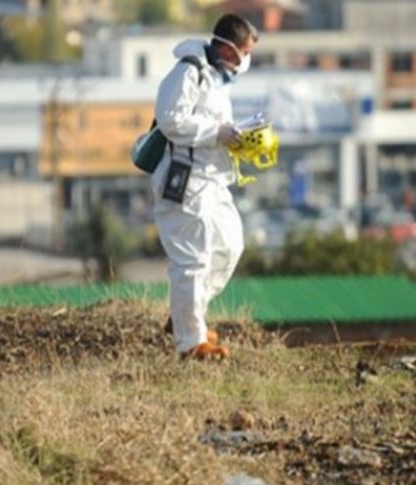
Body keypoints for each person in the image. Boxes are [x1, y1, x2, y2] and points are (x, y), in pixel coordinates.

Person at [152, 14, 259, 359]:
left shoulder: (218, 78)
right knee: (192, 259)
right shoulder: (188, 71)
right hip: (186, 180)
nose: (247, 58)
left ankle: (185, 315)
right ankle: (191, 343)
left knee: (230, 245)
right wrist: (217, 133)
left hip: (214, 178)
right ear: (228, 49)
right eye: (245, 51)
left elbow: (211, 124)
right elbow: (171, 120)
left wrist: (236, 138)